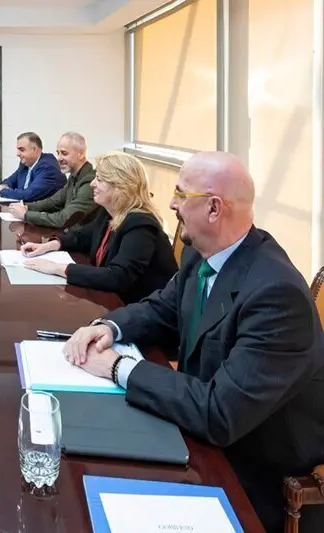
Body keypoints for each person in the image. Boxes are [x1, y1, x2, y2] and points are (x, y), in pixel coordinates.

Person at [63, 152, 324, 533]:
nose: (171, 203)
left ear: (214, 209)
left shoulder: (276, 294)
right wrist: (109, 327)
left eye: (181, 194)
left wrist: (120, 368)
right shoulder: (201, 255)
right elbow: (163, 310)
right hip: (193, 433)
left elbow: (220, 413)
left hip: (251, 473)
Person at [20, 151, 176, 304]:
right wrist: (49, 246)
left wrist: (58, 268)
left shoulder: (140, 224)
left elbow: (117, 276)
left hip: (142, 311)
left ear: (120, 186)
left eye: (100, 179)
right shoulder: (108, 212)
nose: (92, 183)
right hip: (112, 301)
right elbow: (82, 237)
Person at [6, 132, 100, 230]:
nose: (59, 158)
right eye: (58, 153)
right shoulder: (74, 176)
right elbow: (53, 201)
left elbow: (63, 219)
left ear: (80, 154)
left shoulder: (89, 180)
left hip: (81, 241)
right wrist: (26, 207)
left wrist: (26, 215)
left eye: (64, 153)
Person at [0, 132, 65, 202]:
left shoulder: (48, 167)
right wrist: (3, 186)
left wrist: (1, 191)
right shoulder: (25, 164)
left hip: (45, 213)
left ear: (34, 149)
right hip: (26, 210)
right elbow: (10, 181)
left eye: (22, 150)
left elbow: (29, 195)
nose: (17, 154)